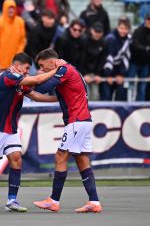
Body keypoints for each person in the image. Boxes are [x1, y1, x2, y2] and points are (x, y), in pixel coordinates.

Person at [0, 53, 65, 212]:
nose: (27, 72)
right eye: (26, 68)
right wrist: (58, 70)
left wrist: (60, 100)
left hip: (10, 128)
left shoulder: (19, 79)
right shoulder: (8, 75)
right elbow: (36, 80)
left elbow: (36, 96)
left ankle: (12, 200)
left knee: (16, 158)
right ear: (18, 65)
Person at [33, 49, 102, 213]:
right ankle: (94, 202)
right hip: (83, 120)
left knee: (60, 155)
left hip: (77, 121)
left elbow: (41, 88)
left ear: (51, 62)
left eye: (42, 66)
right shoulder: (68, 69)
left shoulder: (64, 70)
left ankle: (54, 200)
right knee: (81, 159)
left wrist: (32, 78)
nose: (42, 70)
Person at [128, 12, 150, 101]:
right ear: (145, 20)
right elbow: (134, 46)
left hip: (146, 64)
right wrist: (147, 49)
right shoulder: (138, 31)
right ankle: (128, 103)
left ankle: (139, 106)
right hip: (134, 62)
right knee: (130, 85)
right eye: (148, 19)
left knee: (142, 88)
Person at [0, 0, 26, 75]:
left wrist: (18, 59)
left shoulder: (20, 22)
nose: (11, 10)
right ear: (4, 8)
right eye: (9, 8)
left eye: (13, 8)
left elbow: (22, 41)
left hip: (15, 65)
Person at [100, 16, 132, 101]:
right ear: (117, 27)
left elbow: (126, 58)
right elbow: (107, 57)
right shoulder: (110, 39)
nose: (123, 31)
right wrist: (108, 75)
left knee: (121, 95)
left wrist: (121, 74)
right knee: (106, 98)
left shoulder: (128, 40)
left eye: (125, 29)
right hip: (107, 72)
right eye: (121, 28)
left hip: (119, 73)